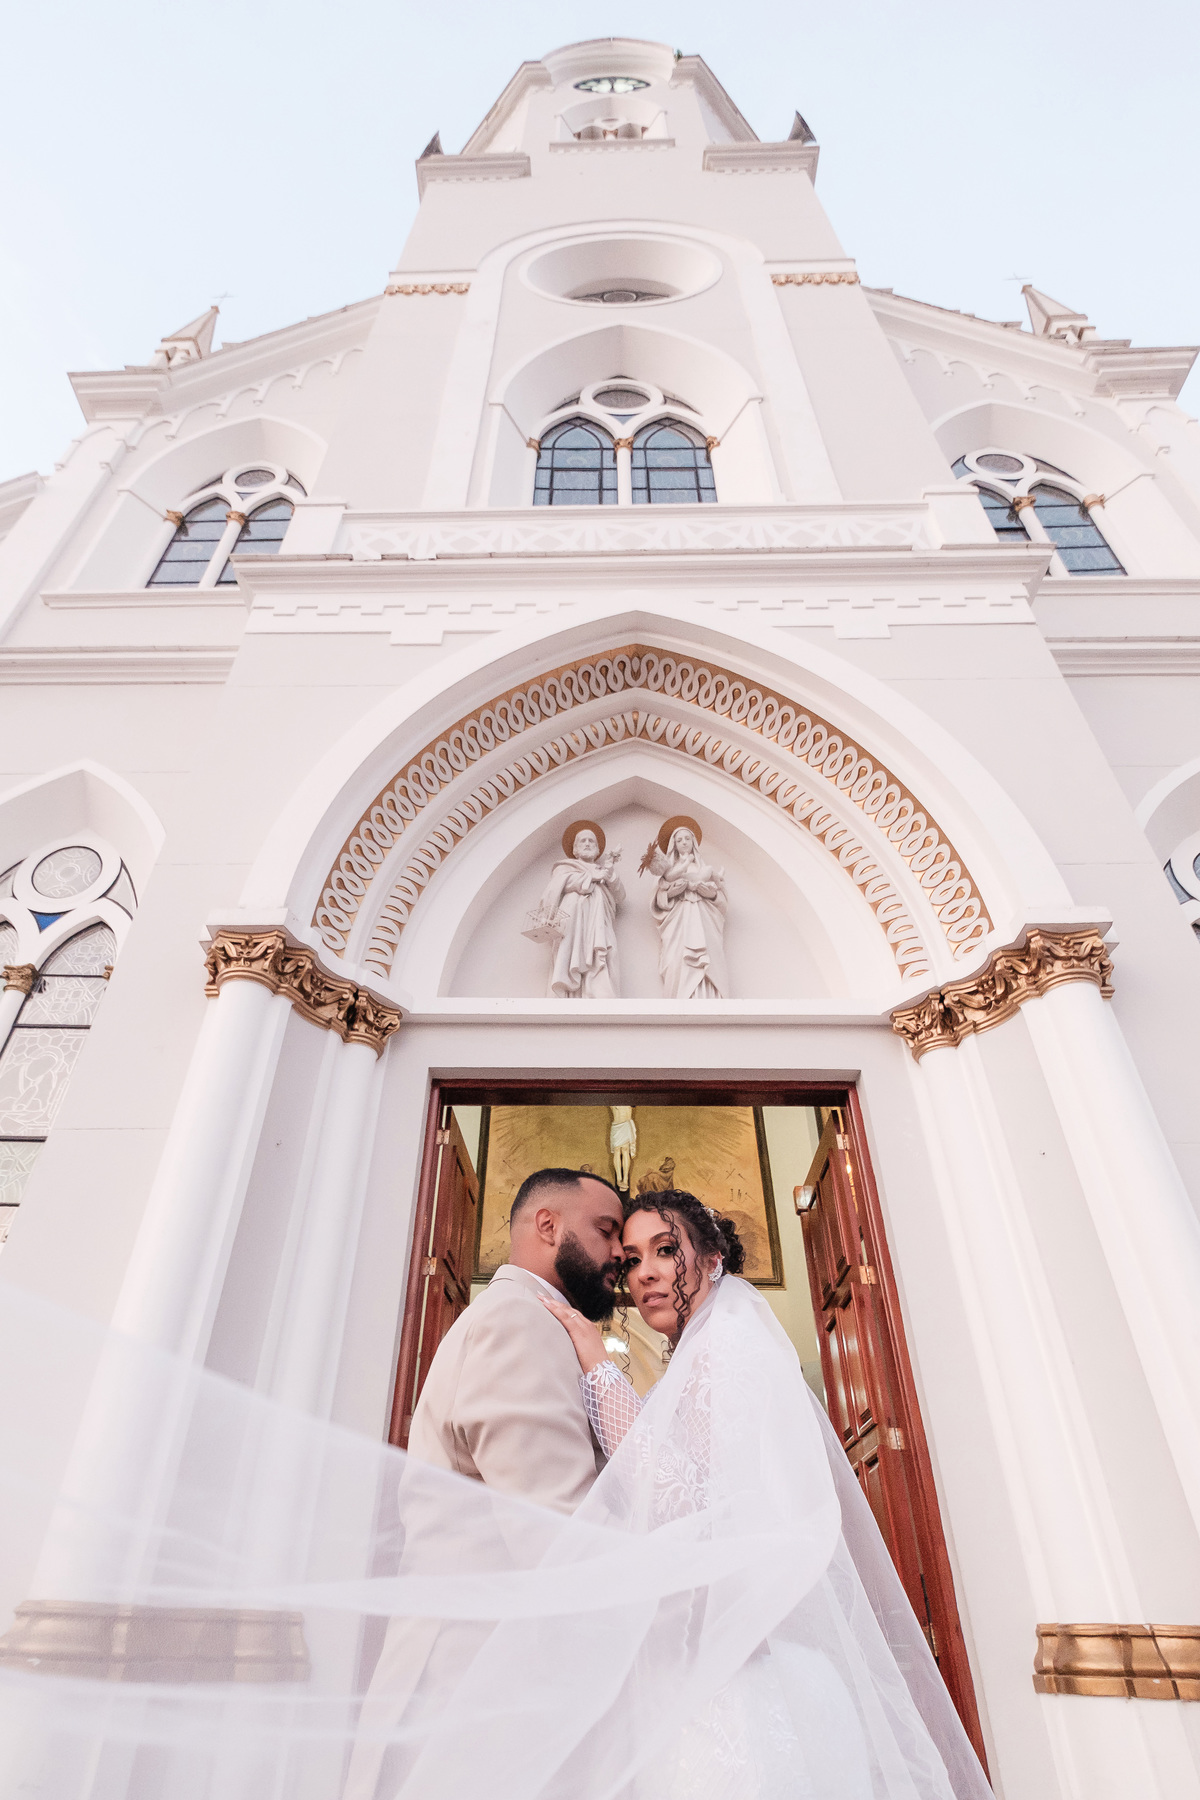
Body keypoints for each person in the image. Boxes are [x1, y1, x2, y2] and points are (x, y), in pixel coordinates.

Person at [537, 1190, 993, 1800]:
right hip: (745, 1668)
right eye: (633, 1259)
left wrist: (598, 1368)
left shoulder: (727, 1349)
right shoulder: (711, 1349)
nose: (644, 1273)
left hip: (752, 1688)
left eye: (665, 1250)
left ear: (713, 1257)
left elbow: (685, 1504)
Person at [406, 1166, 624, 1512]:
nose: (620, 1253)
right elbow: (554, 1519)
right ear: (548, 1226)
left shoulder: (526, 1313)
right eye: (606, 1231)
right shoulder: (517, 1318)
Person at [524, 823, 624, 999]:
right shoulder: (565, 868)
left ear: (597, 849)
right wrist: (590, 877)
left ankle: (599, 992)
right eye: (582, 841)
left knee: (605, 953)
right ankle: (570, 993)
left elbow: (620, 896)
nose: (587, 844)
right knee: (570, 952)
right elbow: (555, 887)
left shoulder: (604, 871)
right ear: (575, 849)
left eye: (591, 841)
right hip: (574, 920)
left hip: (600, 922)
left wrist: (610, 876)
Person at [641, 820, 728, 999]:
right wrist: (672, 892)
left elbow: (722, 902)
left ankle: (707, 995)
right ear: (674, 844)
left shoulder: (704, 868)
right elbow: (658, 900)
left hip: (703, 919)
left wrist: (711, 894)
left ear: (693, 842)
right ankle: (680, 994)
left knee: (707, 956)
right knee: (677, 957)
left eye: (687, 838)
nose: (684, 842)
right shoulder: (668, 870)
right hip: (678, 922)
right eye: (679, 840)